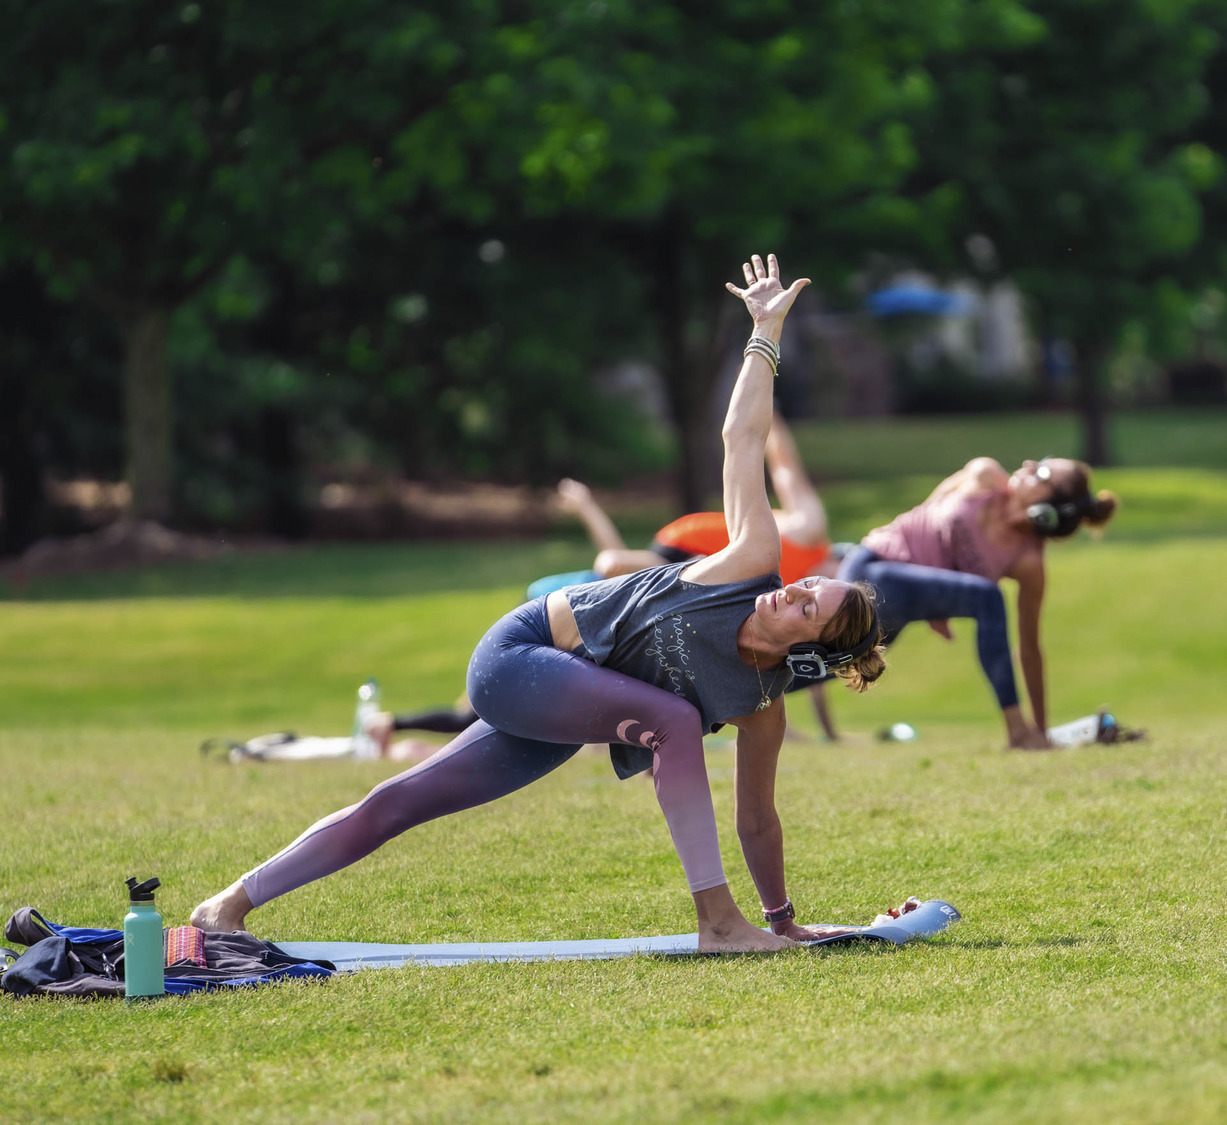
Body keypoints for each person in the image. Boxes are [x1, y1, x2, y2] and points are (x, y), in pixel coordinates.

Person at [191, 253, 885, 954]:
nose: (793, 590)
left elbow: (757, 819)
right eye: (806, 584)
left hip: (558, 707)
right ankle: (716, 924)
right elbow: (742, 438)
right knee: (674, 719)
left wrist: (784, 918)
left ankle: (226, 904)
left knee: (398, 802)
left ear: (809, 650)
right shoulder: (747, 563)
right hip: (522, 653)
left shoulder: (761, 705)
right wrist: (764, 332)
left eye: (808, 608)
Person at [836, 455, 1117, 750]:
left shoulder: (1028, 560)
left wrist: (1043, 730)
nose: (1028, 464)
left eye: (1041, 472)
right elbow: (927, 509)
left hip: (900, 609)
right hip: (872, 570)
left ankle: (1027, 733)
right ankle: (1017, 732)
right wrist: (935, 584)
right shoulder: (985, 476)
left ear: (1049, 510)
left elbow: (1030, 649)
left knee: (821, 664)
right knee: (988, 597)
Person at [555, 411, 836, 586]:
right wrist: (767, 408)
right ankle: (585, 505)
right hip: (682, 549)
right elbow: (784, 467)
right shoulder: (808, 533)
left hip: (695, 571)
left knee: (613, 566)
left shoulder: (801, 600)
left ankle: (584, 506)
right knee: (612, 566)